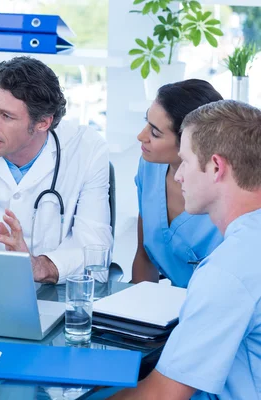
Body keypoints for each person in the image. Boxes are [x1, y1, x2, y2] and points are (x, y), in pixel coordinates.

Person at [112, 100, 261, 399]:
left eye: (186, 163)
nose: (177, 176)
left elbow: (162, 395)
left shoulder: (227, 270)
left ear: (216, 167)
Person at [0, 56, 112, 284]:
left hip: (54, 297)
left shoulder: (88, 150)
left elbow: (96, 250)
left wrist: (39, 267)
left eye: (6, 116)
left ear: (43, 122)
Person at [132, 79, 224, 288]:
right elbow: (144, 256)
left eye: (155, 133)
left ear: (190, 140)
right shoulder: (149, 167)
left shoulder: (226, 191)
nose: (141, 136)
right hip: (167, 311)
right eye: (146, 122)